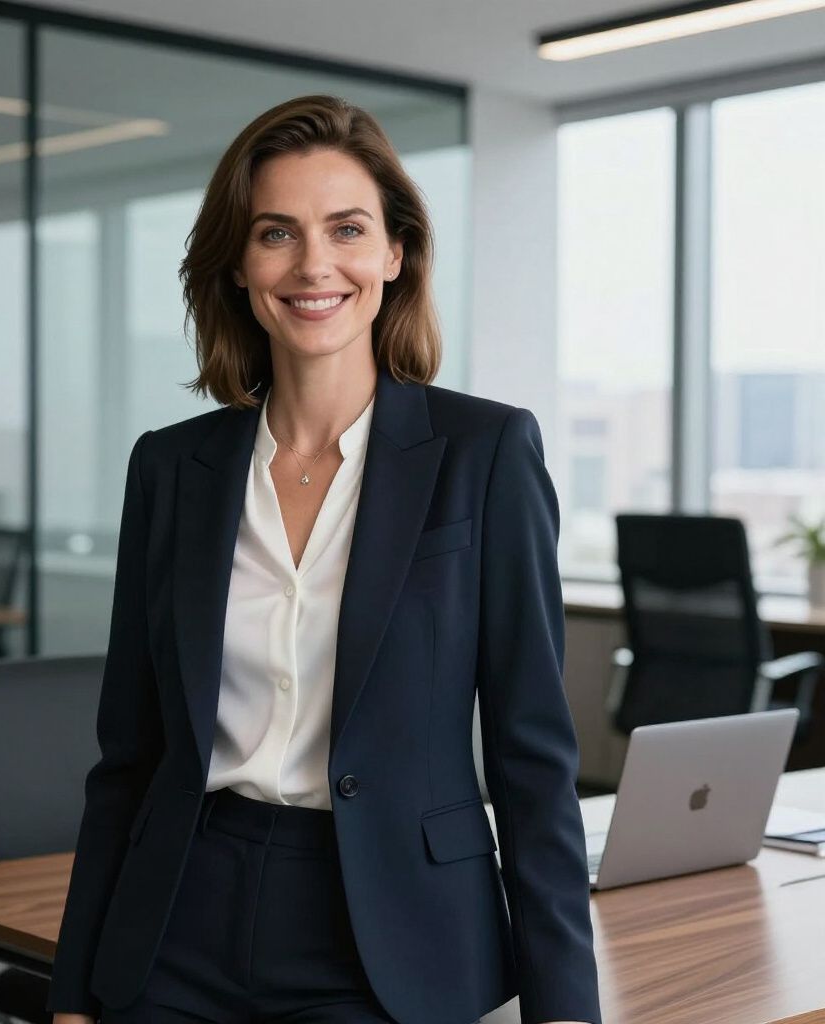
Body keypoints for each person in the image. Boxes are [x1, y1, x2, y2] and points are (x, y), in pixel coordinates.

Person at [48, 94, 601, 1024]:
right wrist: (73, 990)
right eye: (277, 233)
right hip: (181, 913)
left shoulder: (486, 454)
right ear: (238, 264)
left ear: (394, 254)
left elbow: (533, 762)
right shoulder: (172, 466)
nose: (314, 265)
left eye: (347, 229)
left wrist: (565, 1013)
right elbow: (128, 756)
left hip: (385, 931)